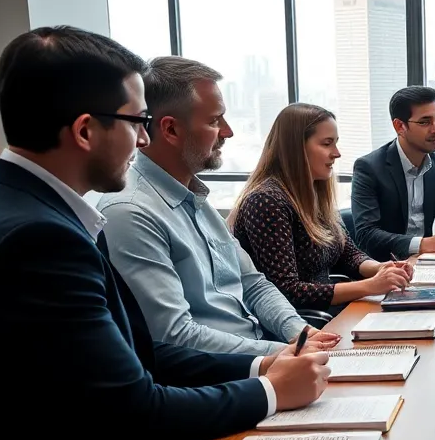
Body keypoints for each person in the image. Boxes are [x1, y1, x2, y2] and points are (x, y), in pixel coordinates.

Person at [0, 27, 330, 440]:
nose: (143, 140)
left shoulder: (30, 211)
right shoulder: (37, 238)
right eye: (137, 122)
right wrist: (270, 392)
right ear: (86, 131)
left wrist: (259, 365)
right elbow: (135, 410)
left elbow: (139, 354)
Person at [98, 57, 340, 356]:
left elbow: (253, 284)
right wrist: (277, 355)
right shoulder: (130, 212)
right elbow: (174, 335)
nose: (227, 131)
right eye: (214, 121)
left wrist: (301, 334)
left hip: (258, 352)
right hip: (223, 373)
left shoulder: (195, 199)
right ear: (171, 130)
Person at [230, 103, 411, 310]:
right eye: (327, 144)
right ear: (296, 149)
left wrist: (381, 269)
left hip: (328, 313)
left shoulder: (313, 193)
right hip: (303, 325)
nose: (336, 153)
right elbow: (287, 292)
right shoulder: (266, 201)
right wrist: (370, 286)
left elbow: (348, 254)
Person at [350, 85, 435, 260]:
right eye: (425, 122)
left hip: (429, 263)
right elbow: (367, 235)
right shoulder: (369, 168)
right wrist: (427, 244)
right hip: (386, 268)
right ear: (400, 126)